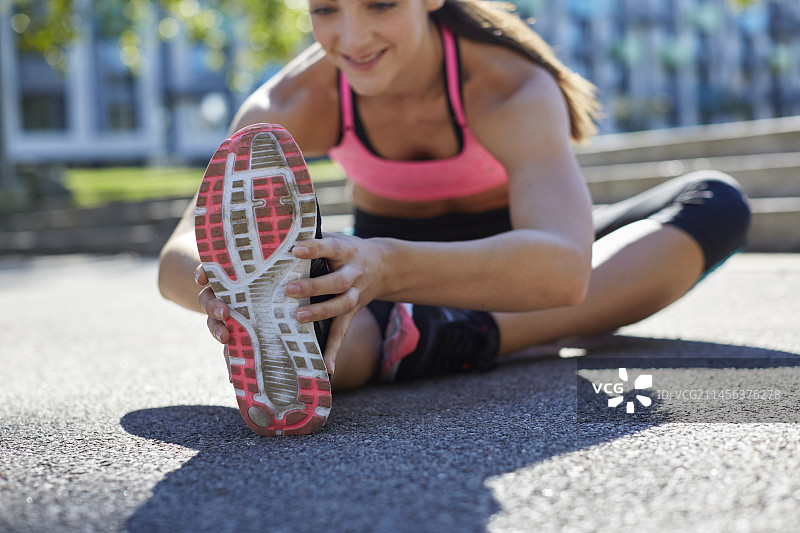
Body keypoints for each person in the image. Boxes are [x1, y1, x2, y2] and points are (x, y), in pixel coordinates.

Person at [158, 0, 751, 435]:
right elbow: (177, 257)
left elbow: (564, 271)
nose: (351, 36)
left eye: (381, 5)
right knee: (324, 331)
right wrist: (226, 290)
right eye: (326, 10)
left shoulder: (507, 86)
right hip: (377, 282)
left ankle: (442, 337)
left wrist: (389, 266)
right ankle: (385, 336)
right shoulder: (289, 103)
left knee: (714, 203)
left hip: (495, 262)